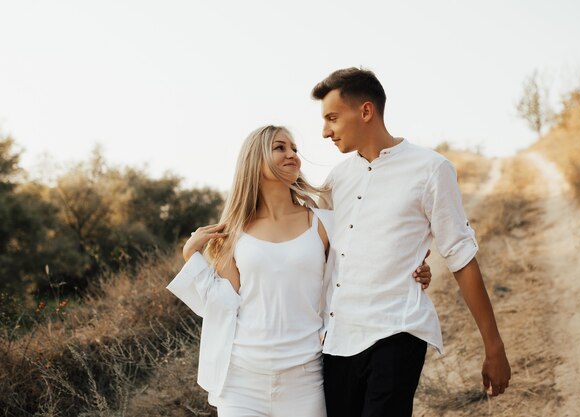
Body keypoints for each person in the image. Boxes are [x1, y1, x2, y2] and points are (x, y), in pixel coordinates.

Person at [166, 125, 432, 417]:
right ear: (255, 159)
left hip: (305, 379)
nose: (292, 154)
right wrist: (190, 256)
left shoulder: (323, 223)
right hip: (242, 381)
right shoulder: (234, 232)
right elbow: (222, 304)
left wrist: (414, 266)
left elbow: (365, 263)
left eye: (294, 149)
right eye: (280, 147)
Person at [311, 67, 511, 417]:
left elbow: (461, 257)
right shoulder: (337, 179)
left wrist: (493, 346)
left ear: (366, 111)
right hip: (338, 337)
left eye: (332, 118)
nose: (325, 131)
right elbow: (307, 242)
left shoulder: (431, 169)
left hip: (397, 329)